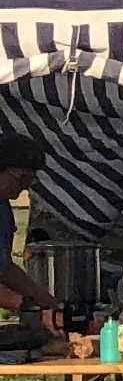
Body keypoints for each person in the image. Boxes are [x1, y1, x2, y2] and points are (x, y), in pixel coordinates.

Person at [0, 134, 53, 332]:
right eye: (20, 178)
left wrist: (49, 303)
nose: (24, 188)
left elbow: (4, 267)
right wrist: (23, 304)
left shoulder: (3, 209)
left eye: (30, 180)